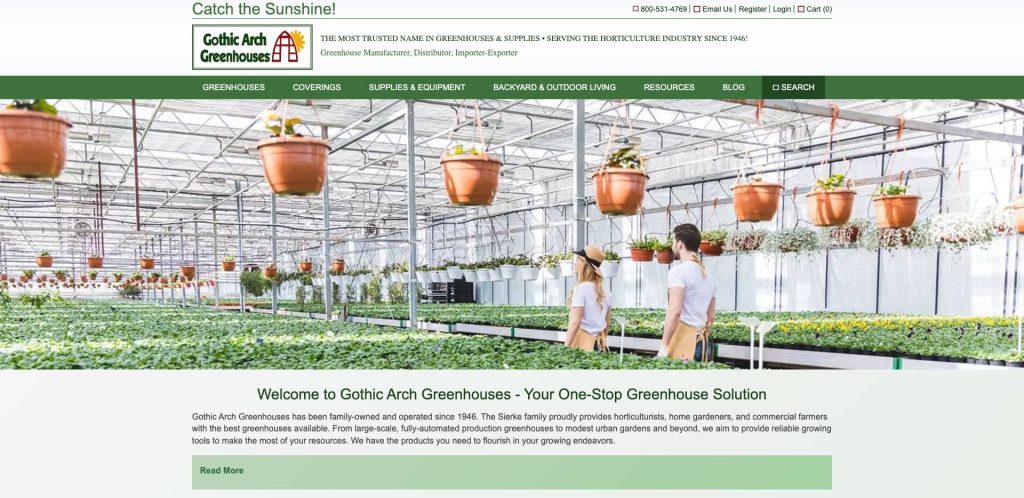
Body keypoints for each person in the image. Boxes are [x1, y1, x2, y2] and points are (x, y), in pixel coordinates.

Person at [658, 224, 717, 361]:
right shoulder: (709, 275)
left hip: (683, 342)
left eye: (673, 241)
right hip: (702, 343)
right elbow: (710, 316)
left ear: (679, 244)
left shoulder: (678, 272)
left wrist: (664, 346)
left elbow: (675, 311)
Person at [564, 244, 612, 352]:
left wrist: (565, 348)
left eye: (578, 260)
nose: (575, 263)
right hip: (601, 345)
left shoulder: (581, 289)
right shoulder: (607, 293)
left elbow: (575, 322)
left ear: (585, 265)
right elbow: (606, 324)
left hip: (583, 345)